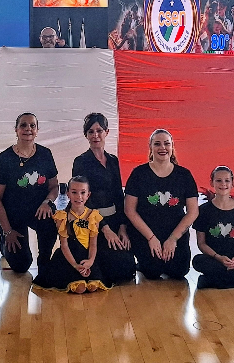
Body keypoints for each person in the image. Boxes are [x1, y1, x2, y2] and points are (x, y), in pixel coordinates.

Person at [124, 129, 199, 280]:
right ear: (150, 147)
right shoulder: (139, 173)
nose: (162, 148)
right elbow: (129, 210)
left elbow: (193, 212)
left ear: (172, 146)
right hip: (146, 232)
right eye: (157, 144)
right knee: (152, 272)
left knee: (179, 271)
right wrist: (151, 238)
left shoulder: (184, 175)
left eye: (166, 144)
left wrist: (173, 239)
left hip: (174, 231)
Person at [0, 113, 59, 273]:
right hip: (13, 213)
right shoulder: (4, 159)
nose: (28, 129)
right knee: (21, 266)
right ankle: (4, 242)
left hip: (39, 209)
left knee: (50, 222)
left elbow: (54, 187)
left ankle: (44, 260)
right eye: (23, 125)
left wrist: (47, 202)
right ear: (16, 130)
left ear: (37, 130)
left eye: (32, 125)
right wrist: (7, 231)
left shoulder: (45, 154)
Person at [71, 113, 136, 284]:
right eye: (91, 132)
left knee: (127, 269)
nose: (95, 135)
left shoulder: (113, 160)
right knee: (109, 272)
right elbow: (82, 200)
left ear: (106, 132)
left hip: (114, 220)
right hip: (92, 222)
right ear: (86, 135)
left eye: (99, 130)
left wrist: (122, 228)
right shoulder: (81, 162)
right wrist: (105, 229)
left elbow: (118, 195)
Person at [32, 176, 111, 293]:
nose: (79, 197)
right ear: (68, 194)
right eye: (74, 192)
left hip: (87, 257)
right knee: (80, 288)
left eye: (83, 192)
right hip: (69, 258)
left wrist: (90, 261)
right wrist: (75, 265)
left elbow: (93, 244)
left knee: (93, 286)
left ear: (88, 195)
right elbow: (64, 246)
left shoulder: (93, 216)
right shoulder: (62, 217)